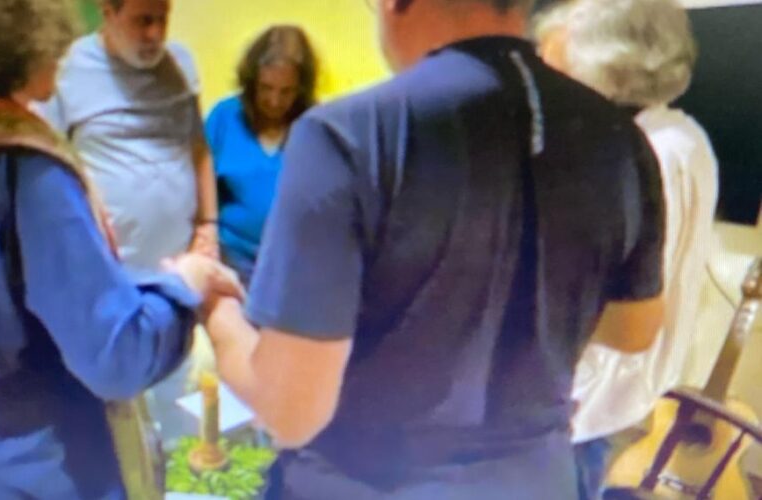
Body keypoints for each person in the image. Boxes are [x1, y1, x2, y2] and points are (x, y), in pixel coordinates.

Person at [202, 0, 667, 498]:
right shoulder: (623, 140)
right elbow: (633, 329)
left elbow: (289, 411)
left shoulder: (348, 132)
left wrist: (216, 307)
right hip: (537, 478)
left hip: (367, 479)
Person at [0, 0, 241, 498]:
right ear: (17, 37)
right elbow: (117, 358)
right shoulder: (23, 171)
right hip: (49, 477)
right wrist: (186, 283)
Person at [534, 0, 719, 497]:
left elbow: (614, 302)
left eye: (555, 67)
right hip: (584, 396)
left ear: (609, 70)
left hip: (587, 400)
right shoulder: (665, 136)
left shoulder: (655, 152)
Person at [40, 0, 218, 273]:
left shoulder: (181, 64)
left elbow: (198, 148)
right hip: (104, 268)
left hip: (179, 266)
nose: (155, 34)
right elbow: (47, 162)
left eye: (163, 19)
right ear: (108, 14)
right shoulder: (67, 70)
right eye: (143, 21)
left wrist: (209, 225)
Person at [205, 25, 318, 285]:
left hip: (295, 269)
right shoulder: (224, 118)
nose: (275, 101)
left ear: (301, 90)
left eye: (286, 91)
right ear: (251, 82)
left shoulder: (316, 127)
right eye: (266, 88)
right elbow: (199, 189)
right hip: (231, 265)